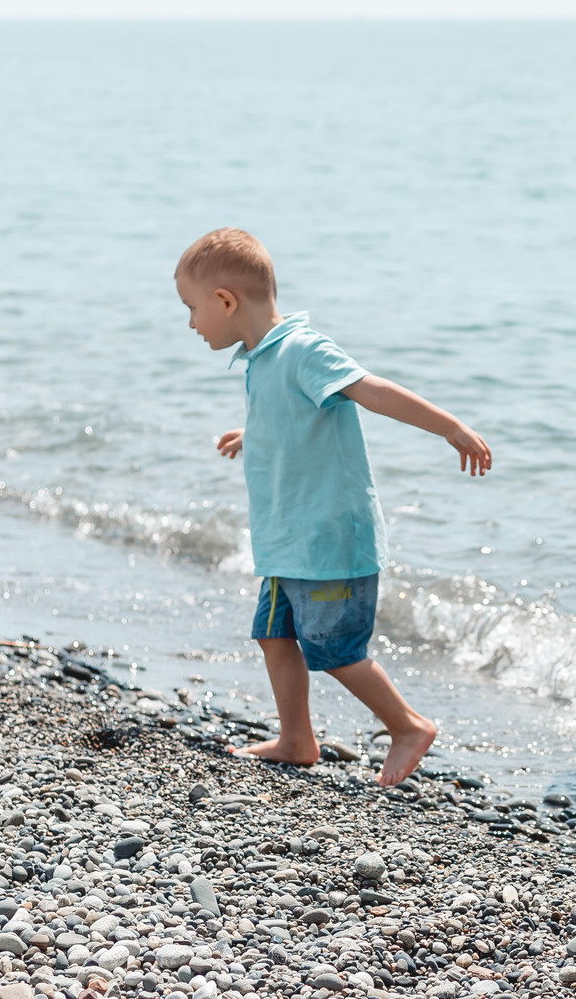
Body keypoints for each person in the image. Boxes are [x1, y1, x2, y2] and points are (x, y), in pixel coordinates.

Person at [175, 228, 491, 786]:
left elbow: (371, 391)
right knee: (274, 633)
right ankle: (297, 739)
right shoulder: (261, 359)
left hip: (327, 541)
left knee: (335, 648)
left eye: (193, 309)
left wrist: (451, 428)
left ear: (226, 301)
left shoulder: (302, 349)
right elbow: (295, 420)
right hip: (287, 540)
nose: (192, 324)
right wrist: (255, 433)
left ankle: (409, 725)